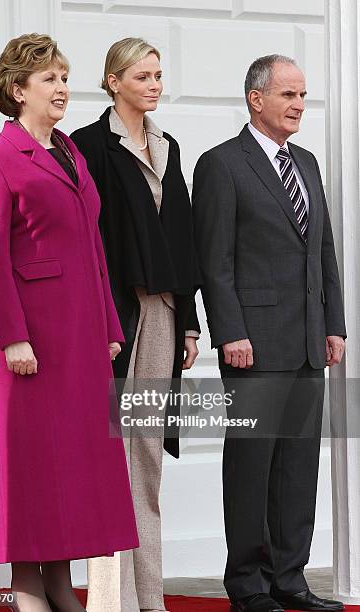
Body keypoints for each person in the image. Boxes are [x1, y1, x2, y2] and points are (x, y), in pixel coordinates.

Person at [0, 33, 138, 612]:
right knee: (33, 476)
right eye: (50, 80)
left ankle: (62, 590)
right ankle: (31, 592)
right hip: (31, 346)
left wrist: (111, 326)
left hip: (80, 343)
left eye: (65, 78)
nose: (63, 88)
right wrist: (13, 338)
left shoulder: (70, 151)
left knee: (73, 476)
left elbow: (94, 249)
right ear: (18, 91)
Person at [192, 54, 346, 612]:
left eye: (303, 95)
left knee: (298, 469)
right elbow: (215, 261)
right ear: (256, 98)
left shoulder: (305, 162)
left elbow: (323, 249)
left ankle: (291, 580)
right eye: (288, 95)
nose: (299, 105)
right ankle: (249, 586)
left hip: (307, 341)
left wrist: (335, 324)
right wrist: (229, 330)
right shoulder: (221, 165)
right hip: (252, 344)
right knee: (252, 468)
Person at [70, 37, 202, 612]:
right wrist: (98, 324)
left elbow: (183, 239)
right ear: (113, 80)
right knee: (110, 456)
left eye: (158, 75)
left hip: (164, 313)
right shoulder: (86, 148)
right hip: (114, 317)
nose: (155, 84)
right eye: (143, 75)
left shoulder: (168, 145)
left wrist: (191, 323)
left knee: (145, 454)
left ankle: (149, 597)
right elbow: (86, 246)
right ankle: (110, 599)